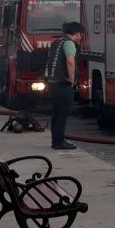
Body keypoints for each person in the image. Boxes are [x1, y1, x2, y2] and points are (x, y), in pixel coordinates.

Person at [45, 20, 82, 150]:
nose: (80, 38)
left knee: (56, 113)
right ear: (77, 34)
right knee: (62, 114)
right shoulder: (69, 44)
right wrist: (71, 79)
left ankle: (55, 140)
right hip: (63, 83)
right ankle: (59, 142)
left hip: (52, 83)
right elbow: (70, 61)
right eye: (80, 35)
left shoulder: (56, 43)